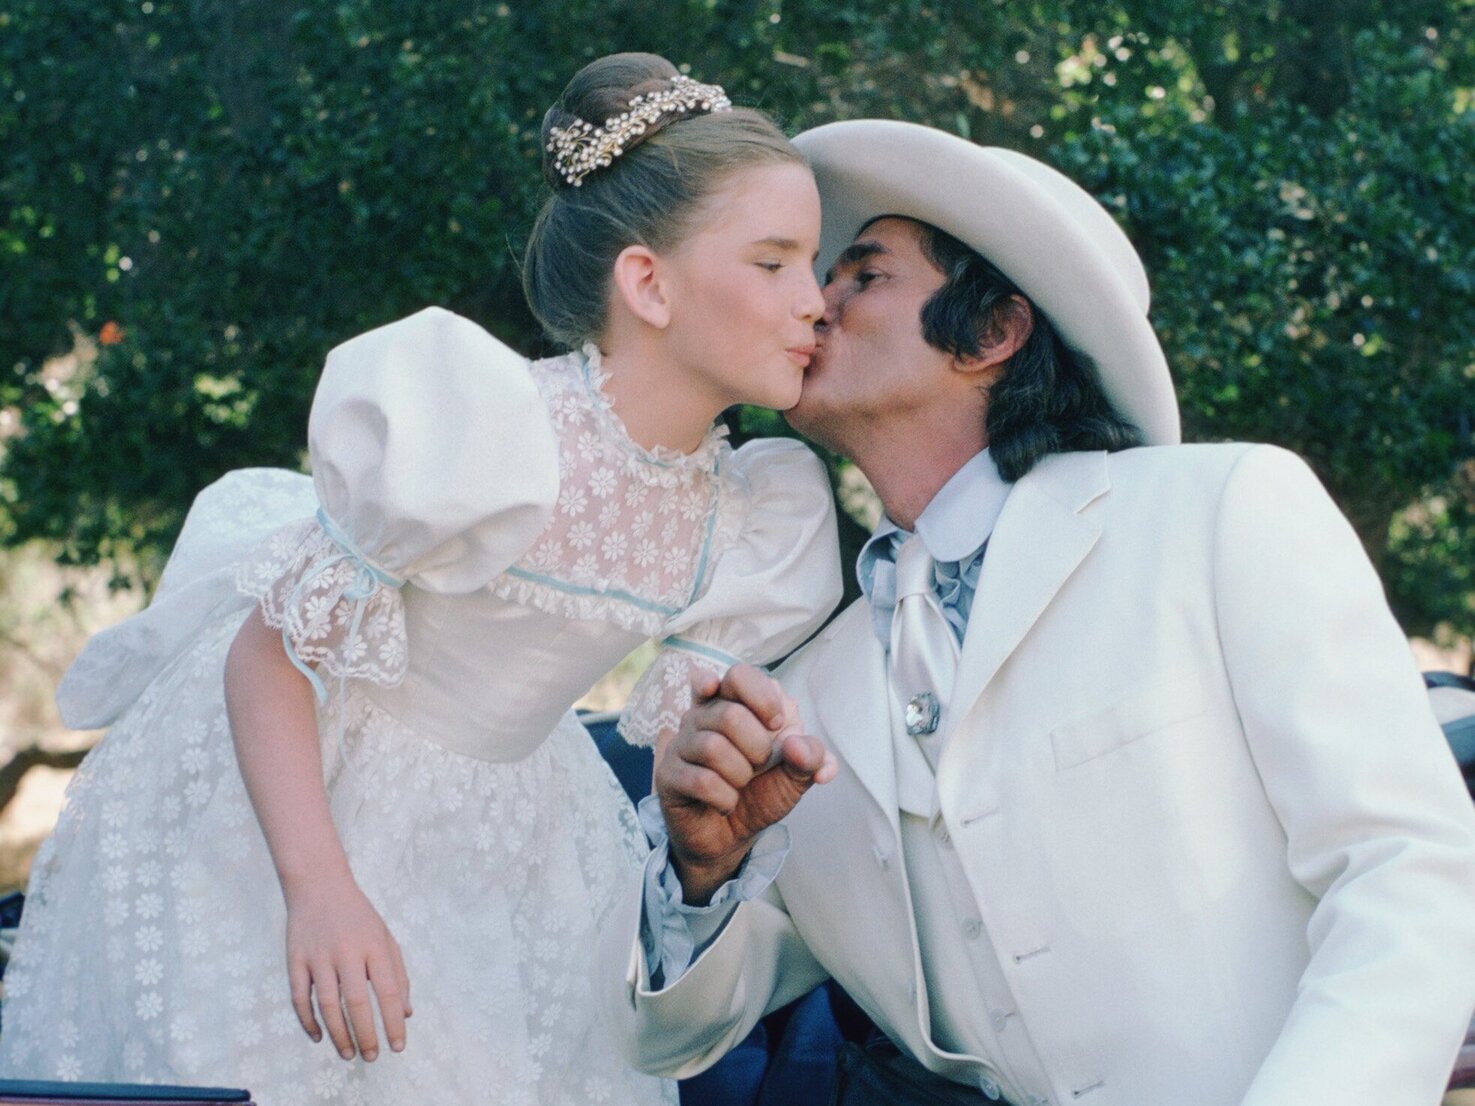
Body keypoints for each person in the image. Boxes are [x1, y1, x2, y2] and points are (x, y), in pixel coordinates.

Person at [0, 53, 842, 1106]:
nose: (816, 301)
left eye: (815, 263)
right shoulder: (487, 429)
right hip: (306, 801)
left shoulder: (748, 510)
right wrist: (317, 887)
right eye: (774, 263)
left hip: (517, 837)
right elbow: (267, 653)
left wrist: (719, 751)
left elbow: (664, 734)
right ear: (647, 284)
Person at [596, 119, 1475, 1106]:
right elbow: (673, 1030)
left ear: (990, 333)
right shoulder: (799, 690)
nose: (810, 303)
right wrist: (703, 868)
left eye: (862, 275)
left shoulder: (1221, 513)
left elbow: (1408, 870)